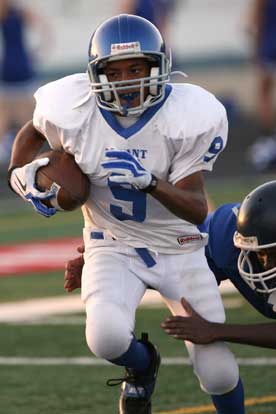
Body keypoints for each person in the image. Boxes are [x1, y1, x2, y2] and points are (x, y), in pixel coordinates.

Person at [7, 14, 245, 414]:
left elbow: (196, 209)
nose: (127, 81)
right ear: (96, 75)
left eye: (137, 68)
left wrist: (152, 183)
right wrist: (20, 175)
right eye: (114, 72)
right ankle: (143, 365)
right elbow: (33, 129)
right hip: (112, 245)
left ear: (158, 68)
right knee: (105, 337)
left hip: (180, 248)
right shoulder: (72, 105)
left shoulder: (190, 115)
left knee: (217, 371)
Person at [161, 181, 276, 348]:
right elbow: (178, 249)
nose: (266, 264)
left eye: (274, 254)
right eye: (261, 253)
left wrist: (215, 331)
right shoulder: (226, 238)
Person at [0, 0, 50, 163]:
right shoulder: (16, 11)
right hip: (18, 65)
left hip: (14, 66)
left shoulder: (16, 11)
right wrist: (40, 50)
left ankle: (26, 157)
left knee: (17, 118)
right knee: (24, 120)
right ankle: (29, 157)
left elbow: (43, 27)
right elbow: (44, 26)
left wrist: (40, 50)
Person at [246, 0, 276, 171]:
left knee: (265, 91)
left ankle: (268, 136)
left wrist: (256, 48)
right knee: (265, 91)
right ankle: (269, 137)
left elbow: (253, 21)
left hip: (269, 43)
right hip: (269, 41)